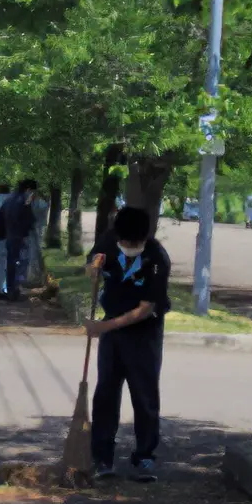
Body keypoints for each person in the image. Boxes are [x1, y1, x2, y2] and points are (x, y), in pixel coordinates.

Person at [85, 206, 171, 484]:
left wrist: (103, 327)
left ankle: (144, 456)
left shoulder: (157, 258)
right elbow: (91, 268)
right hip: (112, 328)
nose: (130, 247)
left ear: (145, 237)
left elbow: (146, 309)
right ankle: (102, 458)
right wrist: (93, 269)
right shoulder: (109, 241)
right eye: (126, 242)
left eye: (136, 243)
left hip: (144, 333)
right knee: (106, 394)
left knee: (144, 396)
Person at [0, 179, 36, 301]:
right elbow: (29, 221)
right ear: (28, 190)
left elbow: (0, 219)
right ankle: (14, 289)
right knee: (21, 263)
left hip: (9, 236)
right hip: (20, 237)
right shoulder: (24, 202)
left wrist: (1, 234)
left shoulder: (8, 200)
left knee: (10, 263)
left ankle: (9, 289)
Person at [23, 187, 49, 287]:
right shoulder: (39, 203)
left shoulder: (40, 204)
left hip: (37, 230)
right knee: (33, 254)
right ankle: (36, 278)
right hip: (35, 230)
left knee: (35, 254)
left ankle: (35, 279)